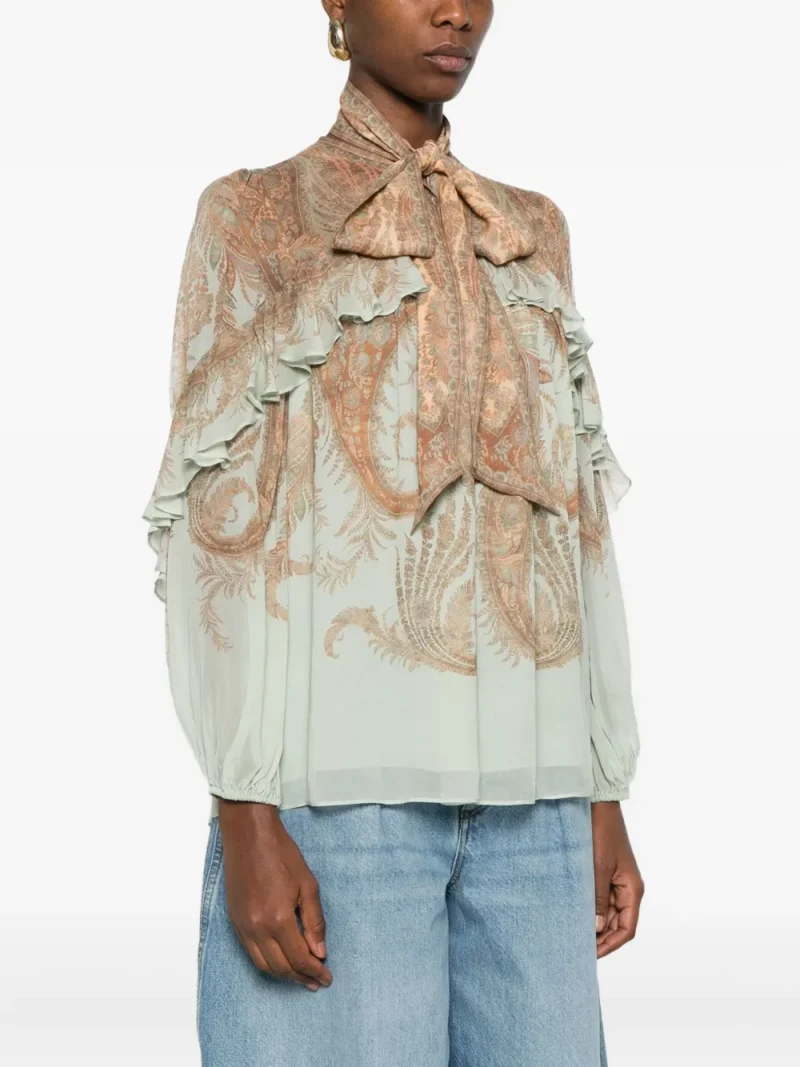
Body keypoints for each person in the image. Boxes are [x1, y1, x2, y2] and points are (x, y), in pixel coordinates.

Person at [142, 2, 645, 1064]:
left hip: (539, 806)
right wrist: (244, 804)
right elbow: (220, 526)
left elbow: (579, 524)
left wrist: (600, 782)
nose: (454, 11)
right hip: (338, 809)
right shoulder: (256, 215)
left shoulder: (531, 228)